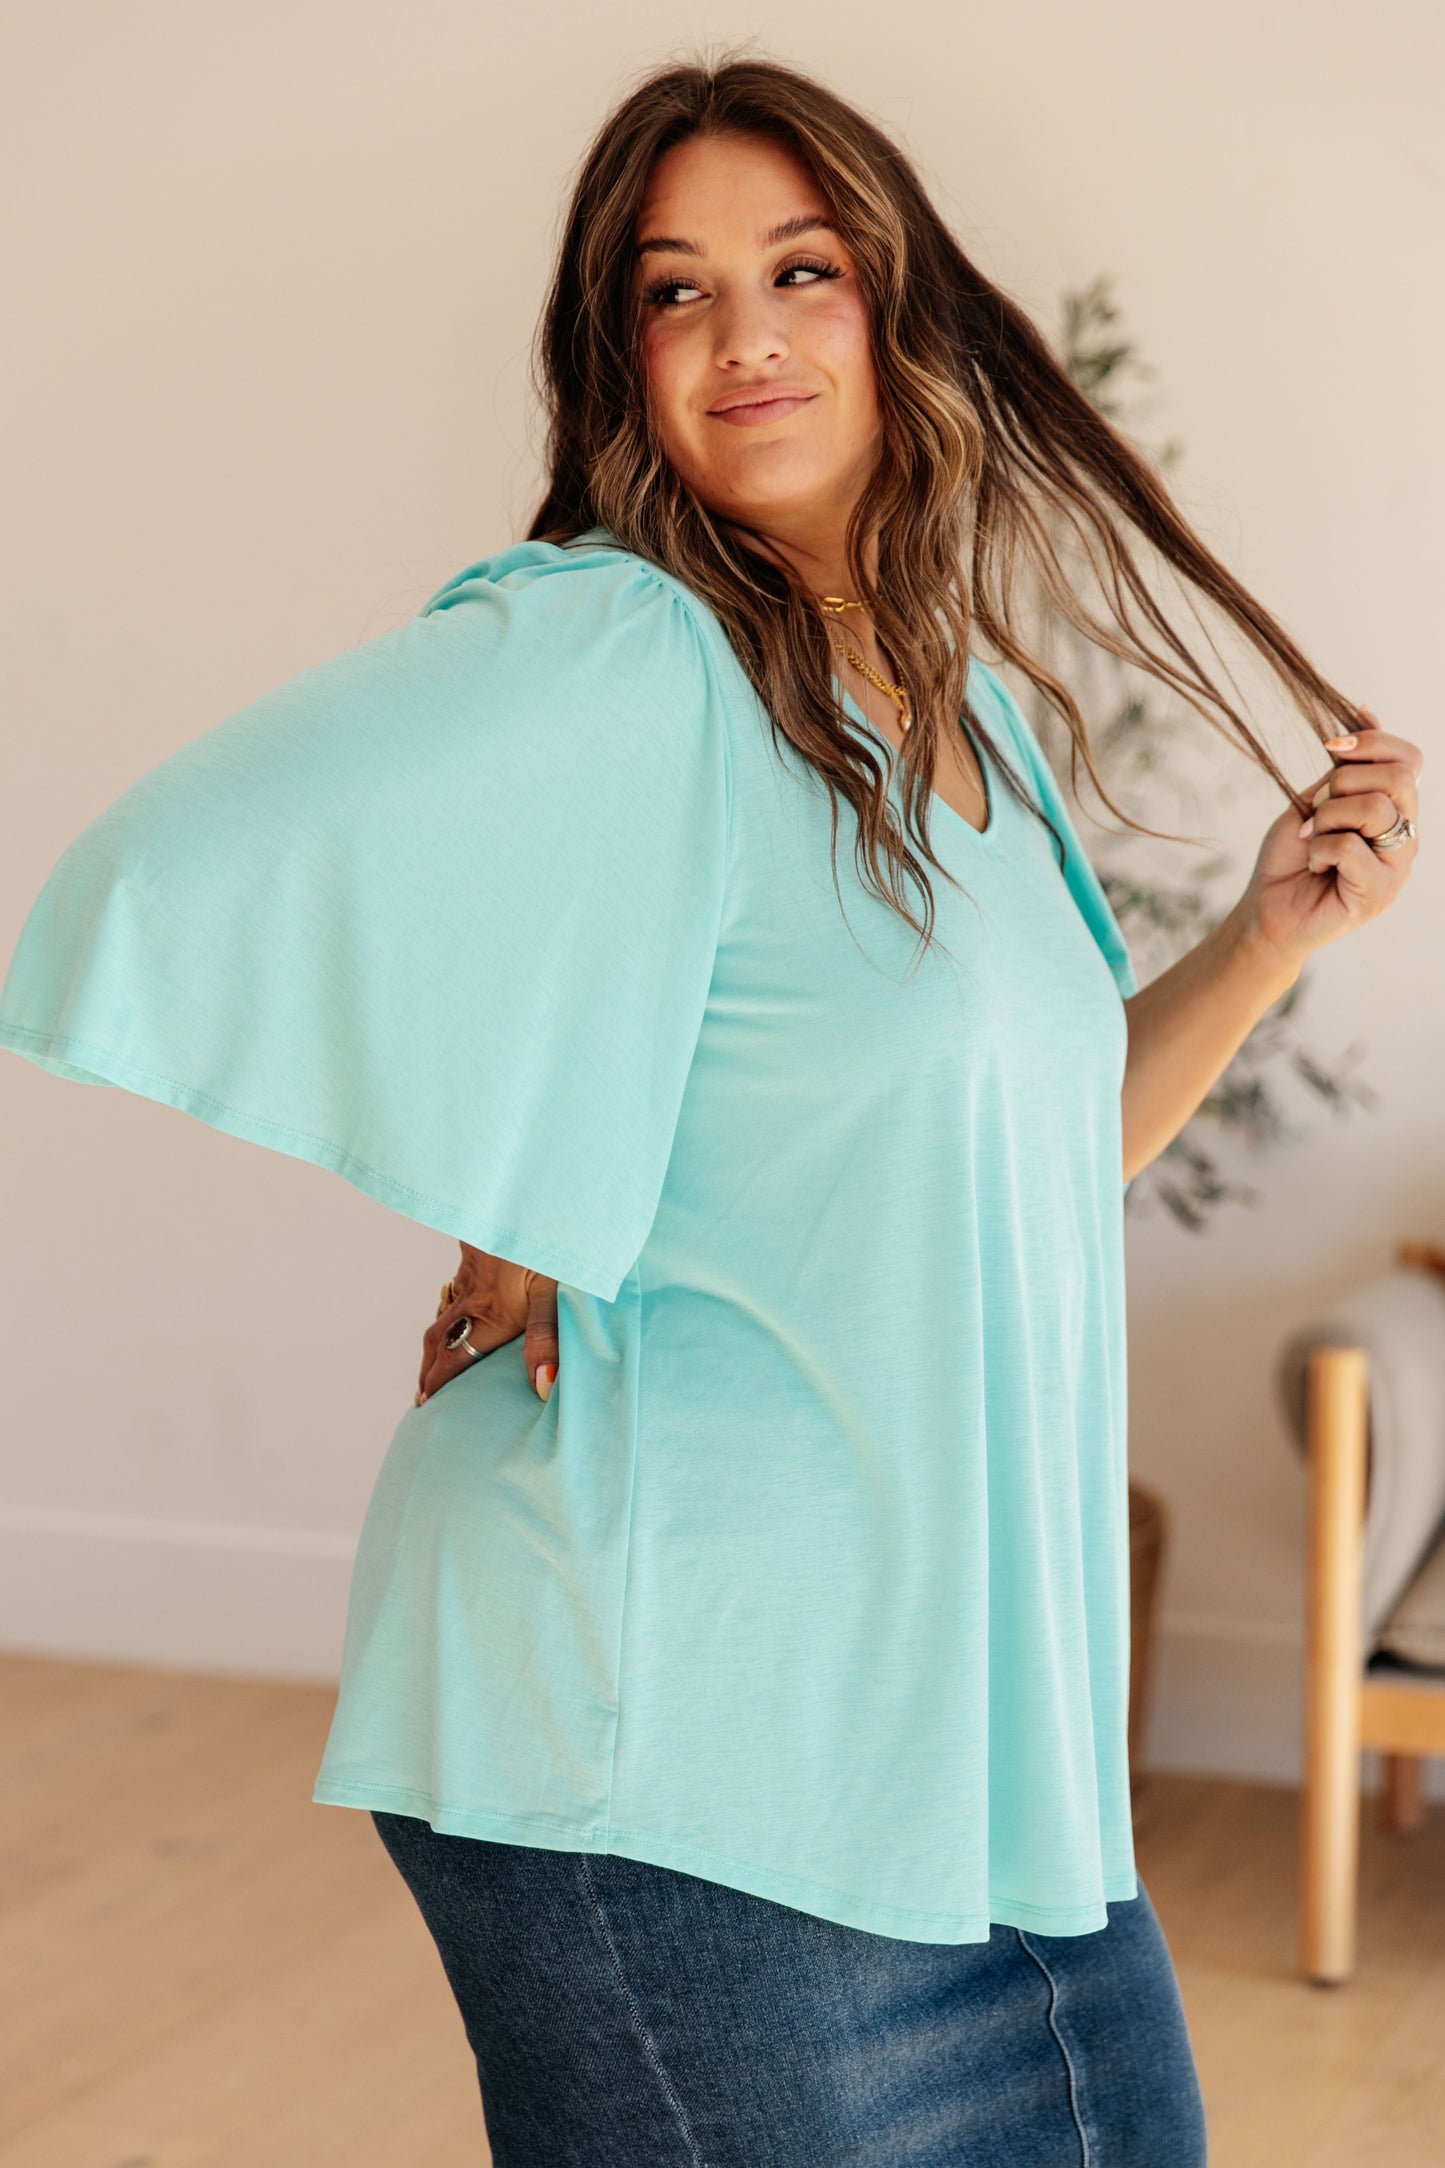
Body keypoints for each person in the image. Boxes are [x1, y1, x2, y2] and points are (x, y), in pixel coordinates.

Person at [0, 52, 1421, 2168]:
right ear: (624, 362)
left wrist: (1260, 941)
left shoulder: (970, 708)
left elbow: (1008, 1170)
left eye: (800, 269)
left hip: (965, 1757)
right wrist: (515, 1168)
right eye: (675, 292)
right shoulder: (627, 645)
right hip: (667, 1747)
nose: (743, 333)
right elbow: (182, 866)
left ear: (900, 309)